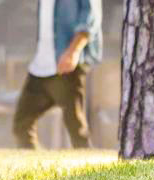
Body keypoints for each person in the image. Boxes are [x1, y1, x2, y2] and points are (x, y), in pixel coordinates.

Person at [12, 0, 102, 149]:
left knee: (76, 130)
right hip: (40, 67)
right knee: (21, 125)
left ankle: (88, 163)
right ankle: (35, 163)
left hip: (65, 65)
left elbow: (90, 17)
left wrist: (73, 52)